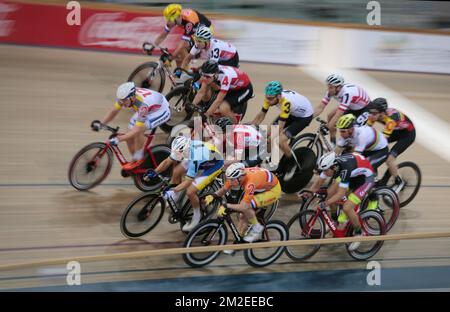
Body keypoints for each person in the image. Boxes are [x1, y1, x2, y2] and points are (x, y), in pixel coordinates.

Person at [144, 136, 224, 231]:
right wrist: (155, 172)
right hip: (204, 156)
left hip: (214, 165)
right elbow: (167, 162)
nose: (177, 155)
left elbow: (188, 182)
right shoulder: (182, 148)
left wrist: (173, 190)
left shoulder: (194, 158)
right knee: (176, 171)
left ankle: (196, 217)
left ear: (186, 149)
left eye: (179, 153)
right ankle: (176, 197)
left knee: (190, 192)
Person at [92, 82, 170, 170]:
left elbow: (137, 130)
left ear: (132, 97)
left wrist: (119, 139)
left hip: (161, 111)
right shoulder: (124, 97)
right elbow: (114, 111)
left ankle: (142, 156)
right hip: (150, 107)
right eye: (121, 100)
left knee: (137, 131)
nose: (122, 103)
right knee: (129, 133)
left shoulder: (142, 105)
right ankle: (136, 160)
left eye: (124, 101)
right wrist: (102, 124)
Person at [308, 151, 376, 251]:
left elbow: (340, 194)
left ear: (333, 167)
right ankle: (335, 221)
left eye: (326, 171)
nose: (325, 173)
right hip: (355, 174)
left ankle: (359, 233)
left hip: (366, 179)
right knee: (330, 194)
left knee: (347, 207)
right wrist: (308, 193)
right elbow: (318, 182)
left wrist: (326, 203)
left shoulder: (344, 170)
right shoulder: (333, 166)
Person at [207, 164, 281, 243]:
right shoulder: (237, 177)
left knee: (247, 207)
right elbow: (224, 189)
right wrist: (213, 196)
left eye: (232, 180)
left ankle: (257, 228)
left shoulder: (249, 184)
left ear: (240, 177)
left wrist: (226, 206)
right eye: (229, 179)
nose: (230, 182)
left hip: (272, 190)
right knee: (242, 215)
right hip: (262, 185)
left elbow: (244, 206)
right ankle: (239, 240)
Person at [251, 81, 313, 169]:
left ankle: (293, 164)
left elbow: (280, 128)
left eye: (271, 99)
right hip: (291, 112)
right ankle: (267, 160)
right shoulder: (270, 97)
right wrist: (251, 127)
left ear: (279, 96)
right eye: (267, 98)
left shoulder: (286, 103)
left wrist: (270, 139)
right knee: (267, 134)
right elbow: (261, 115)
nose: (268, 101)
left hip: (303, 117)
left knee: (279, 141)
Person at [366, 97, 416, 192]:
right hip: (396, 130)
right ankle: (376, 178)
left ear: (382, 112)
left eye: (374, 113)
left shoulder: (391, 120)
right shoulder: (375, 114)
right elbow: (366, 130)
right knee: (371, 148)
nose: (371, 115)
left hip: (407, 134)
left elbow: (383, 140)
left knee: (389, 159)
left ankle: (399, 181)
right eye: (371, 112)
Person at [144, 4, 212, 68]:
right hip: (195, 30)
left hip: (205, 31)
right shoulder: (176, 19)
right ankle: (182, 76)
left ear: (177, 17)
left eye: (170, 19)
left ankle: (189, 70)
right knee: (178, 57)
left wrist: (170, 59)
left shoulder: (188, 23)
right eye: (167, 19)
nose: (168, 22)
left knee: (182, 48)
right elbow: (163, 34)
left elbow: (183, 44)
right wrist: (153, 46)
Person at [313, 74, 371, 146]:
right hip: (351, 106)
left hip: (364, 109)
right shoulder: (331, 92)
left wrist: (327, 127)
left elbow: (338, 114)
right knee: (330, 116)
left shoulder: (347, 93)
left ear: (338, 87)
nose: (328, 90)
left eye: (331, 87)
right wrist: (309, 118)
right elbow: (320, 107)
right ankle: (332, 143)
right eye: (328, 87)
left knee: (352, 131)